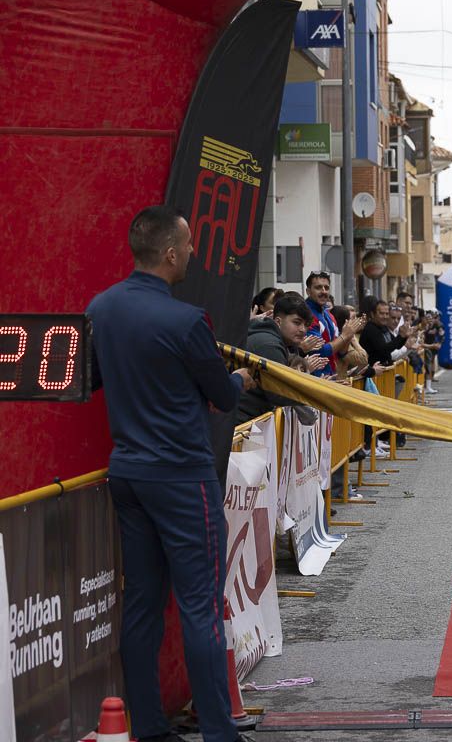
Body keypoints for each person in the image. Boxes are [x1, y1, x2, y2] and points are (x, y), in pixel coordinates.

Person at [87, 206, 253, 742]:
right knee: (200, 606)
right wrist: (241, 378)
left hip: (128, 473)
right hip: (182, 476)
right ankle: (219, 732)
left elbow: (93, 378)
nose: (194, 253)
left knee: (141, 603)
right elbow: (221, 395)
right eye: (190, 245)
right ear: (171, 252)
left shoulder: (101, 308)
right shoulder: (187, 320)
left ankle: (149, 727)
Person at [238, 293, 322, 424]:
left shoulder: (279, 342)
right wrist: (319, 396)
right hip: (241, 422)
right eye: (297, 322)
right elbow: (278, 392)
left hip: (247, 419)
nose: (303, 329)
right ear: (278, 321)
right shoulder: (269, 344)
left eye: (306, 325)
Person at [303, 272, 363, 377]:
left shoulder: (329, 315)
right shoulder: (306, 314)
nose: (323, 291)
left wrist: (349, 336)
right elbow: (320, 351)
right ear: (308, 291)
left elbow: (341, 351)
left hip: (331, 376)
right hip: (314, 378)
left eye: (326, 288)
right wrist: (345, 336)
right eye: (318, 287)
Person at [330, 304, 369, 380]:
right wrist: (352, 337)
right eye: (352, 319)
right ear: (346, 322)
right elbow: (363, 359)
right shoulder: (341, 341)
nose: (356, 322)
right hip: (338, 382)